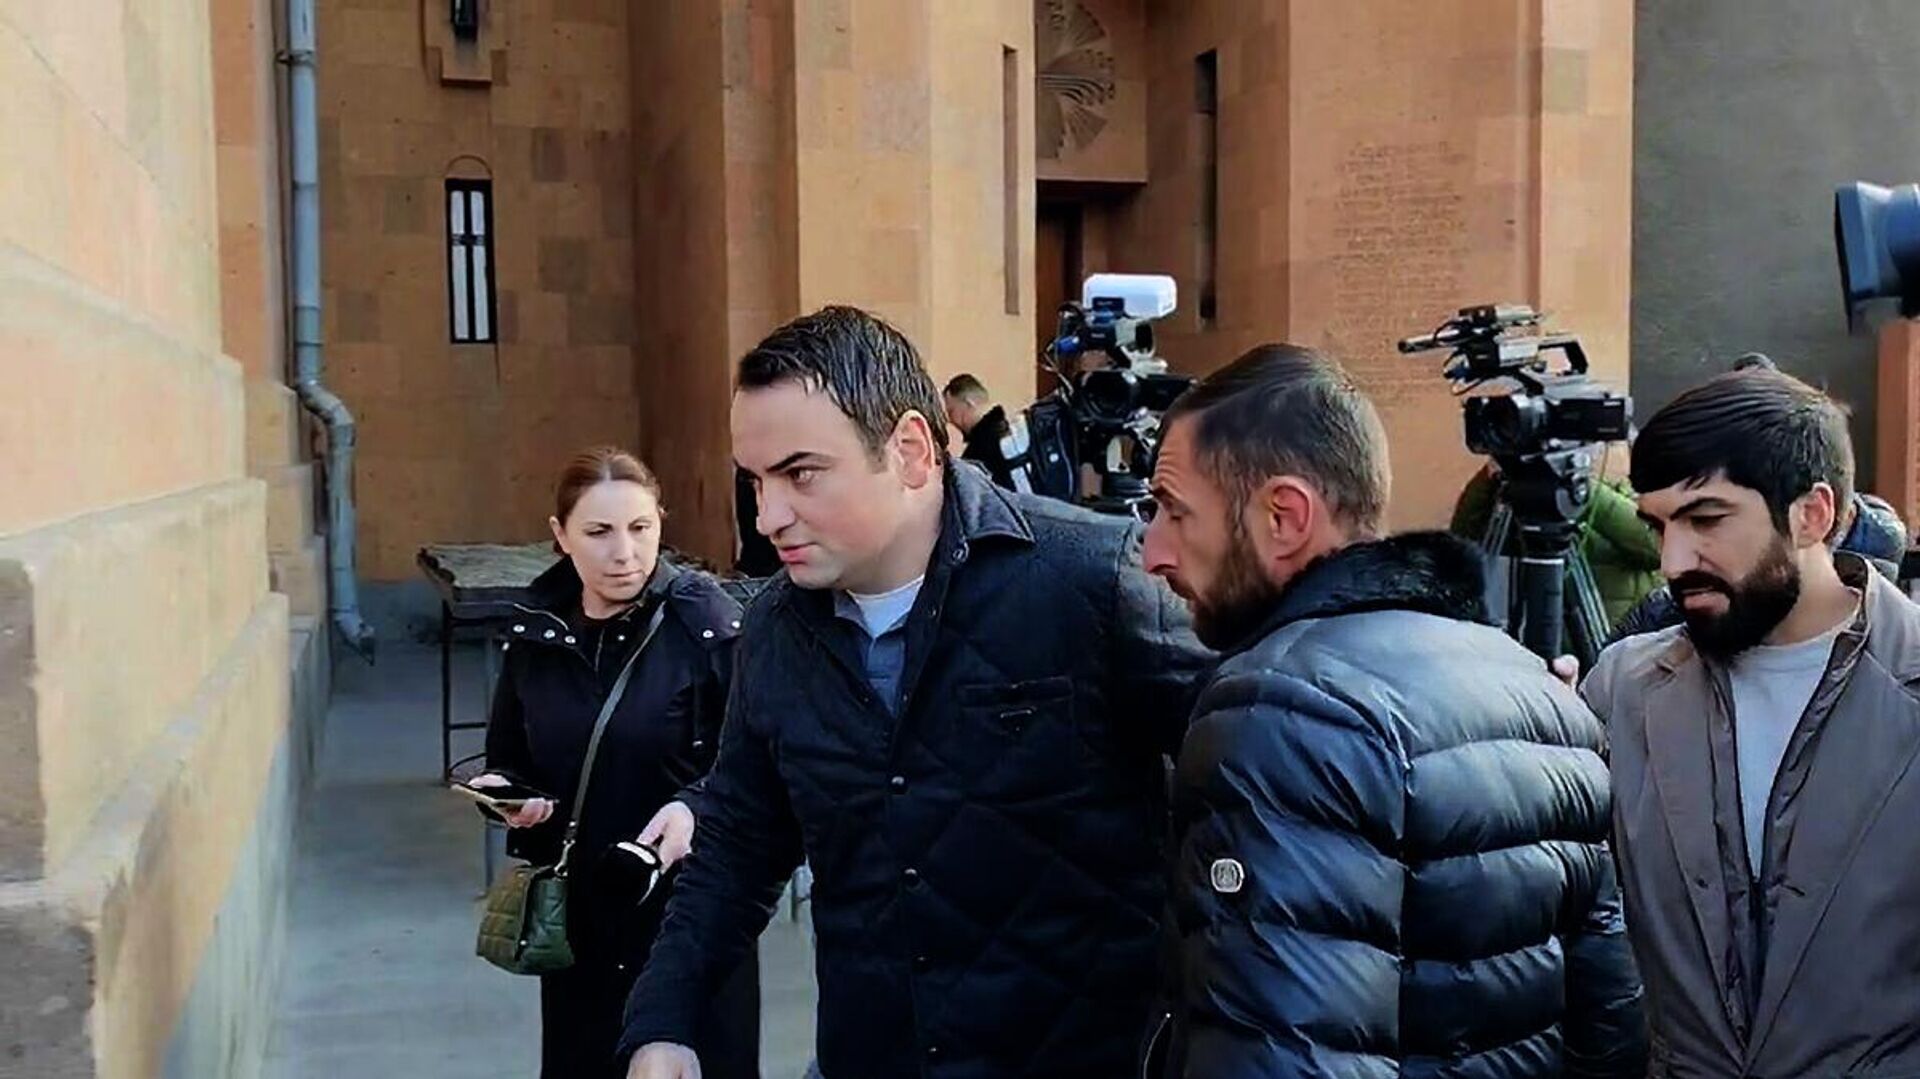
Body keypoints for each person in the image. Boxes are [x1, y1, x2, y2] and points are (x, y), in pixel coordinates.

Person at [618, 306, 1211, 1078]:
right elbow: (738, 838)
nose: (768, 516)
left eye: (800, 474)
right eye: (755, 480)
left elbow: (1253, 798)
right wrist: (664, 1020)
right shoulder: (772, 630)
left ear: (909, 450)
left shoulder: (1094, 579)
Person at [1140, 344, 1646, 1078]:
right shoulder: (1540, 695)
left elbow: (1283, 1060)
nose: (1152, 551)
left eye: (1174, 511)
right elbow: (1612, 1037)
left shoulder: (1279, 711)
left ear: (1284, 515)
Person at [1581, 369, 1920, 1077]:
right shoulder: (1622, 690)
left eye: (1705, 520)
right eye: (1659, 527)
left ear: (1812, 515)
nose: (1672, 562)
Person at [474, 447, 760, 1079]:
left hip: (689, 911)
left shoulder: (705, 624)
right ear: (561, 537)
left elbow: (757, 763)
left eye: (640, 528)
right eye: (599, 532)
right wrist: (510, 795)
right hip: (582, 915)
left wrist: (695, 806)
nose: (624, 553)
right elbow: (510, 754)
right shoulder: (536, 633)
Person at [1452, 460, 1664, 626]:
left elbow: (1656, 547)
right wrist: (1490, 478)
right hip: (1534, 629)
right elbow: (1465, 541)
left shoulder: (1642, 495)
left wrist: (1580, 489)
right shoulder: (1522, 490)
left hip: (1607, 641)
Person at [940, 372, 1018, 489]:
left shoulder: (981, 449)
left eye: (951, 411)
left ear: (969, 403)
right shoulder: (1010, 431)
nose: (951, 420)